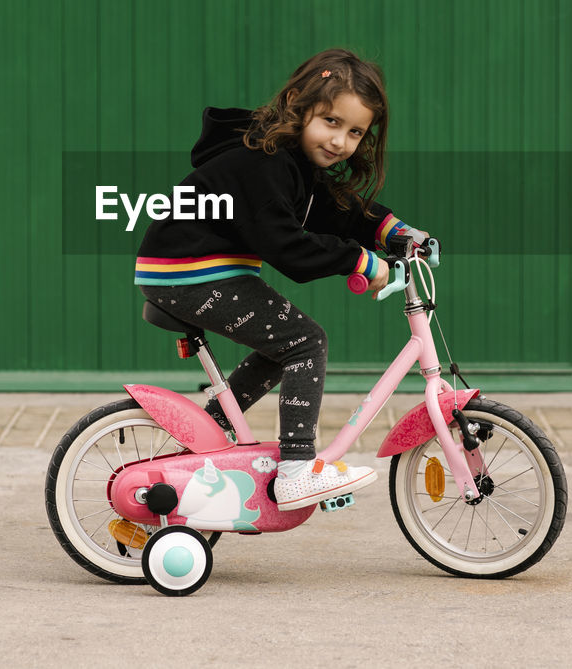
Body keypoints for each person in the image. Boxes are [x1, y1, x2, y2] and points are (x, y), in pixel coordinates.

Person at [135, 48, 429, 511]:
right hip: (187, 272)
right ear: (298, 103)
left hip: (196, 269)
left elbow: (335, 209)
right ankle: (295, 470)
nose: (341, 141)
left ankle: (209, 433)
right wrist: (360, 261)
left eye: (355, 132)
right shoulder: (263, 163)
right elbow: (288, 248)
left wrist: (390, 230)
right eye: (331, 122)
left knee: (284, 346)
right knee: (305, 342)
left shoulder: (294, 163)